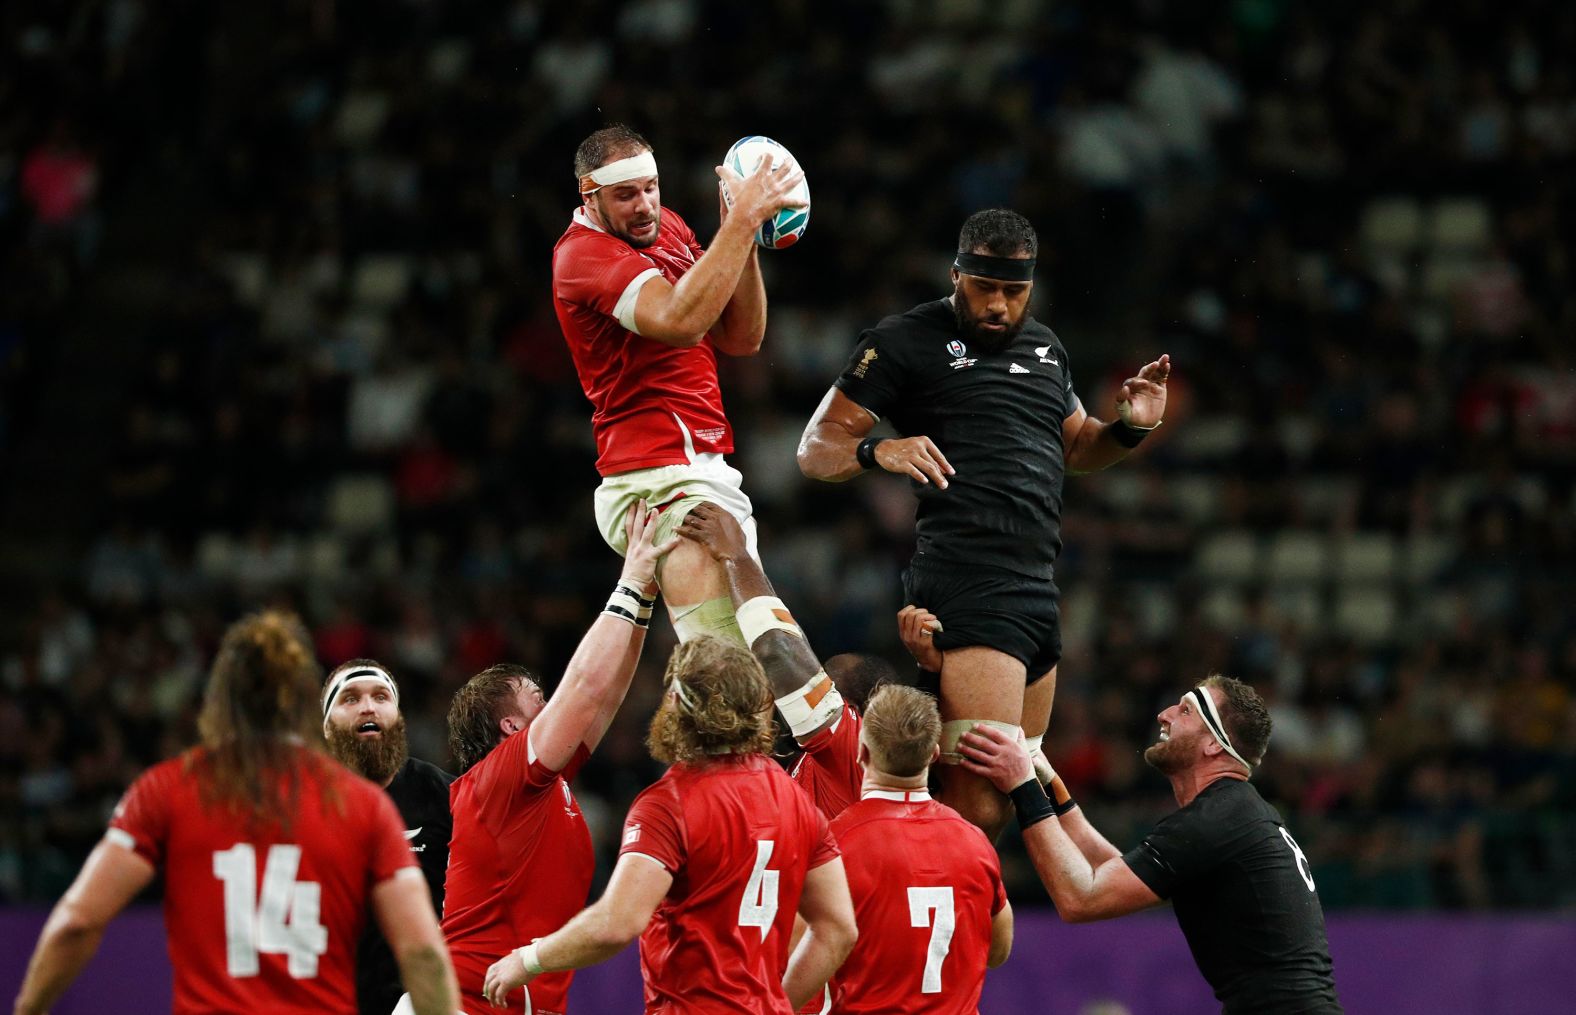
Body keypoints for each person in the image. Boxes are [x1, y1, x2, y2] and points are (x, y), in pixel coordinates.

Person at [797, 208, 1171, 836]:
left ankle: (918, 906)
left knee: (999, 806)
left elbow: (1077, 449)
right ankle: (911, 913)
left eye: (1014, 291)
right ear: (956, 275)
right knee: (979, 805)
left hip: (1036, 589)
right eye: (985, 288)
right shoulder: (902, 340)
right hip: (970, 576)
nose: (999, 306)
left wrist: (1130, 429)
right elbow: (815, 448)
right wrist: (877, 450)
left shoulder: (1047, 348)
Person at [13, 612, 458, 1015]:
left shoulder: (167, 789)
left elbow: (78, 921)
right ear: (307, 710)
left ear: (218, 701)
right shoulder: (360, 805)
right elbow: (421, 950)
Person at [480, 636, 858, 1014]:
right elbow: (839, 929)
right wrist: (776, 1006)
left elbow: (617, 922)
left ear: (677, 704)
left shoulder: (669, 803)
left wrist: (529, 959)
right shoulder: (793, 798)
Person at [553, 123, 808, 646]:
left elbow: (742, 338)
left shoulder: (667, 226)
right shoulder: (581, 256)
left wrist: (746, 239)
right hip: (657, 479)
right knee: (726, 667)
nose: (644, 205)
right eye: (625, 195)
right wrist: (739, 224)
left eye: (650, 188)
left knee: (744, 665)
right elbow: (680, 321)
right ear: (589, 195)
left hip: (698, 468)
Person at [959, 675, 1343, 1014]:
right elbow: (1120, 872)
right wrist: (1048, 785)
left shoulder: (1215, 820)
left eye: (1187, 710)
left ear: (1213, 745)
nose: (1164, 714)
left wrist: (1023, 787)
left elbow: (1081, 898)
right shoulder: (1232, 812)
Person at [440, 502, 674, 1014]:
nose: (548, 702)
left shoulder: (544, 782)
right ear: (510, 726)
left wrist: (645, 598)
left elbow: (607, 694)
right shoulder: (495, 779)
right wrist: (629, 579)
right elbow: (585, 690)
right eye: (533, 694)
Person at [673, 502, 906, 821]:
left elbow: (779, 652)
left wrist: (737, 555)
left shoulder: (853, 751)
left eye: (830, 688)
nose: (814, 685)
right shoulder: (824, 762)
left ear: (863, 711)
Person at [827, 684, 1012, 1014]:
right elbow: (998, 950)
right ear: (934, 755)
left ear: (862, 753)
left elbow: (797, 951)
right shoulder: (975, 843)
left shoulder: (835, 843)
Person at [321, 658, 455, 1015]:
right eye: (350, 698)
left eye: (381, 697)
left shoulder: (447, 796)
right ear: (327, 727)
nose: (368, 706)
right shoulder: (298, 808)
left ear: (398, 718)